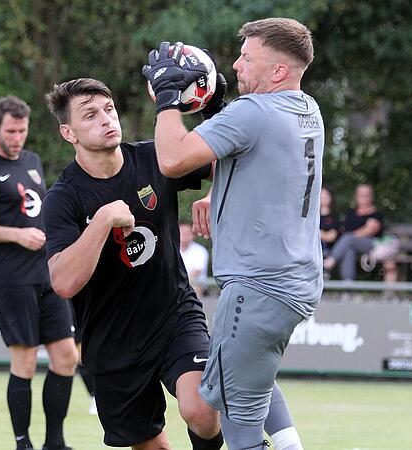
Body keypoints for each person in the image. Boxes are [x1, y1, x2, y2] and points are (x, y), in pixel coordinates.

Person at [143, 17, 322, 450]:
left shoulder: (253, 112)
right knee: (254, 378)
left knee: (236, 421)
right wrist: (222, 186)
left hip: (257, 286)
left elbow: (172, 160)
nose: (236, 65)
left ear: (278, 71)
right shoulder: (307, 108)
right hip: (296, 282)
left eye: (247, 57)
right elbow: (260, 163)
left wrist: (168, 98)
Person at [43, 78, 222, 450]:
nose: (106, 120)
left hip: (174, 316)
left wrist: (216, 191)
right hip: (111, 340)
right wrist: (103, 221)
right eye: (90, 115)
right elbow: (63, 282)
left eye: (108, 110)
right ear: (68, 132)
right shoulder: (62, 199)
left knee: (203, 411)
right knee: (151, 445)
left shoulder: (156, 157)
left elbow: (231, 163)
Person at [0, 96, 78, 450]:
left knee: (66, 356)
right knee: (24, 359)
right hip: (9, 276)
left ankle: (54, 442)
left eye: (22, 130)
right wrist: (16, 235)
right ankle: (22, 443)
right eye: (10, 130)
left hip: (46, 271)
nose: (17, 137)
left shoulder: (32, 161)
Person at [323, 184, 384, 280]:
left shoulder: (376, 214)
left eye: (366, 195)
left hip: (370, 244)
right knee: (348, 249)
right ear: (356, 196)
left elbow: (370, 230)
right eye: (361, 195)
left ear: (371, 196)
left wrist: (349, 238)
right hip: (351, 245)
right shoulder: (351, 213)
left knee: (348, 239)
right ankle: (348, 286)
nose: (363, 197)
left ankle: (329, 262)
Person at [179, 222, 210, 296]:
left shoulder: (200, 250)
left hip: (195, 285)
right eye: (182, 233)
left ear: (193, 235)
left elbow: (197, 271)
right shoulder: (170, 249)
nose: (184, 236)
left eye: (187, 233)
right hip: (176, 283)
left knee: (193, 287)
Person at [319, 185, 340, 260]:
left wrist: (316, 233)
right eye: (321, 196)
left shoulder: (334, 217)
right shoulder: (313, 217)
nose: (323, 198)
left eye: (326, 196)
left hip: (328, 251)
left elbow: (331, 237)